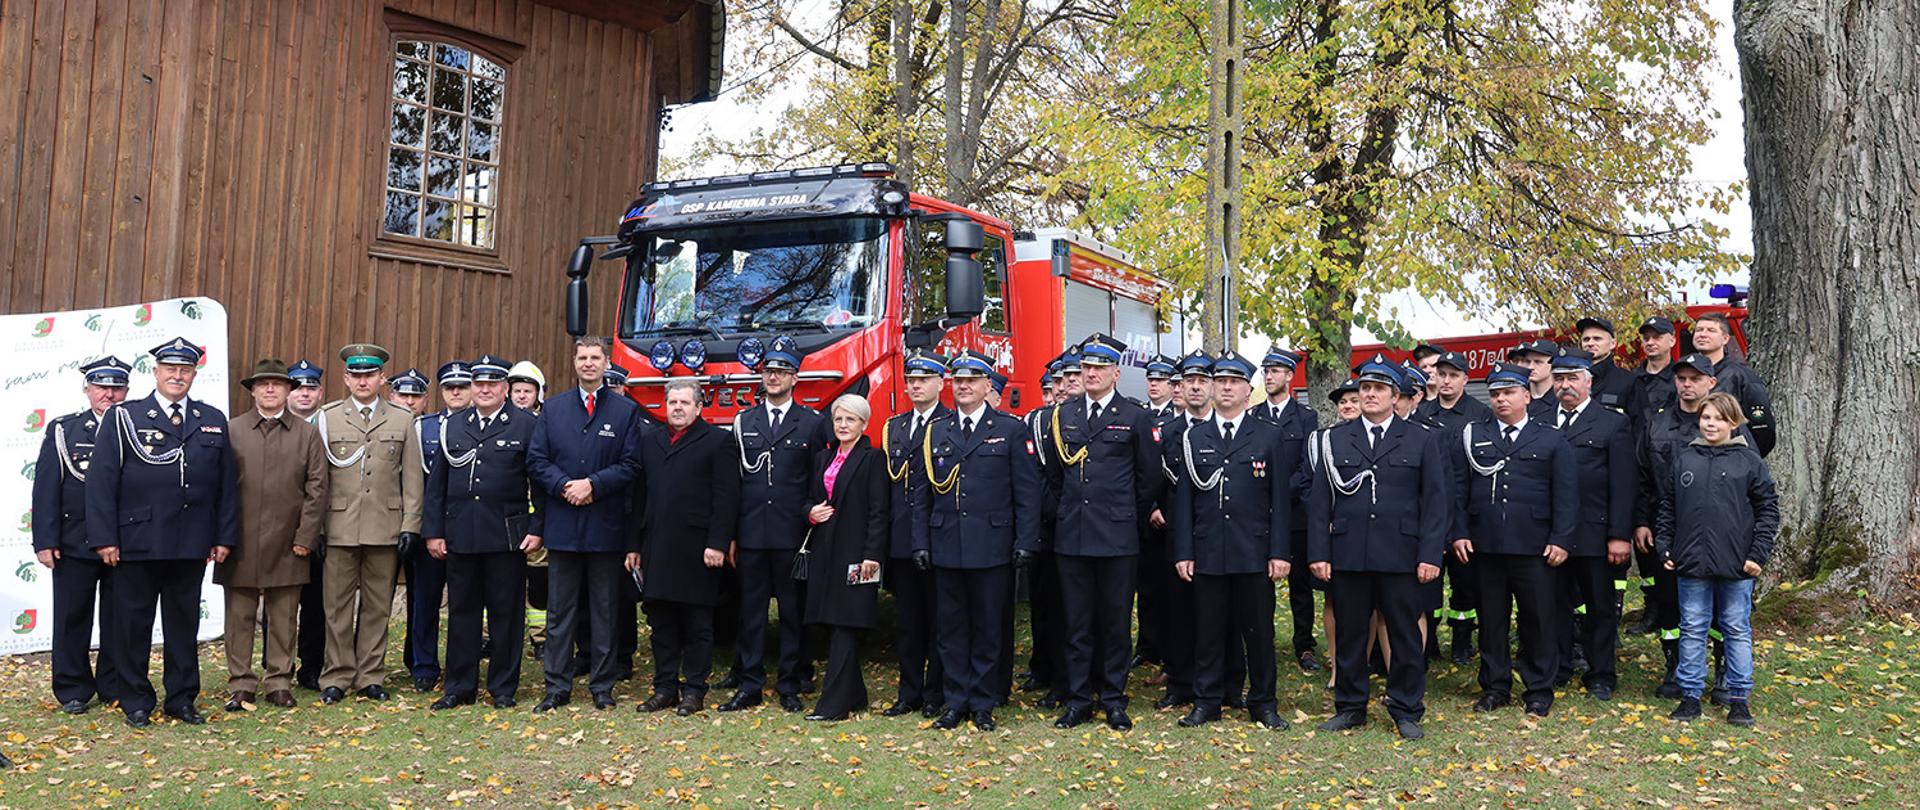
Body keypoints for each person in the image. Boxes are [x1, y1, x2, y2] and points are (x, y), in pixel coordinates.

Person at [87, 337, 240, 727]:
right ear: (155, 373)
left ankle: (181, 698)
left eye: (185, 370)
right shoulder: (125, 416)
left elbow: (226, 485)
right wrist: (105, 538)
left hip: (191, 541)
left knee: (183, 626)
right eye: (170, 369)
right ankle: (135, 700)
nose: (178, 376)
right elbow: (102, 483)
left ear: (193, 374)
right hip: (138, 540)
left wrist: (223, 536)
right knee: (133, 625)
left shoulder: (211, 418)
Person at [1306, 359, 1448, 740]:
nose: (1369, 394)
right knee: (1352, 634)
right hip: (1349, 553)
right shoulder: (1335, 439)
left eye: (1379, 389)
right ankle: (1350, 707)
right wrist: (1319, 553)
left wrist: (1430, 555)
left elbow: (1436, 503)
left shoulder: (1421, 439)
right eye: (1365, 388)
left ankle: (1406, 708)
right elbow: (1320, 503)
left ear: (1396, 396)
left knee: (1404, 635)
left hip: (1401, 554)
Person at [914, 351, 1042, 730]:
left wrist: (1025, 541)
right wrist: (920, 542)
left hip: (993, 544)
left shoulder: (1011, 429)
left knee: (988, 629)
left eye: (972, 380)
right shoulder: (936, 430)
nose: (964, 386)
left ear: (989, 386)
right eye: (958, 380)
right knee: (950, 629)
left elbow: (1027, 492)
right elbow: (921, 494)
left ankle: (983, 702)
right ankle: (955, 701)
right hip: (947, 544)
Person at [1044, 333, 1163, 732]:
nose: (1091, 374)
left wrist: (1126, 516)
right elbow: (1055, 477)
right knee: (1076, 623)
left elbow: (1148, 480)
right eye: (1086, 368)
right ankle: (1079, 699)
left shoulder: (1135, 416)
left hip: (1116, 537)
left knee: (1114, 622)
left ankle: (1114, 698)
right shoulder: (1065, 415)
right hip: (1073, 535)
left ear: (1116, 372)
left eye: (1099, 368)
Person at [1170, 351, 1292, 729]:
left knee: (1258, 632)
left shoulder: (1269, 436)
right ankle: (1207, 701)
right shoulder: (1195, 437)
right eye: (1219, 381)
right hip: (1208, 550)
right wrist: (1184, 551)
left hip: (1253, 551)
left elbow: (1280, 501)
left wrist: (1280, 552)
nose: (1225, 388)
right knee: (1207, 631)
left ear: (1248, 390)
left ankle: (1263, 703)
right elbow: (1184, 501)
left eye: (1234, 382)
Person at [1448, 363, 1578, 717]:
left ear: (1525, 395)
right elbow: (1458, 490)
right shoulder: (1473, 434)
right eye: (1494, 394)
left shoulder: (1550, 437)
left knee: (1538, 617)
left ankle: (1538, 687)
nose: (1501, 399)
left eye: (1508, 393)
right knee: (1492, 619)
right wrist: (1458, 531)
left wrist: (1561, 539)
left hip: (1535, 545)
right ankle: (1495, 685)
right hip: (1485, 544)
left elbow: (1566, 495)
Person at [530, 339, 645, 712]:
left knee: (604, 610)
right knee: (560, 612)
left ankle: (602, 686)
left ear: (605, 363)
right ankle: (556, 687)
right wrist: (565, 486)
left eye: (595, 358)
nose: (589, 364)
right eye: (583, 358)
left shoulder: (625, 411)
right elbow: (536, 459)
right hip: (563, 525)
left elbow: (631, 465)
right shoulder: (554, 409)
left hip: (605, 527)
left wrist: (593, 484)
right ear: (574, 363)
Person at [424, 356, 542, 710]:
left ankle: (503, 688)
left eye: (493, 383)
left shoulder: (526, 425)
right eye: (479, 384)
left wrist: (538, 529)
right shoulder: (453, 426)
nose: (485, 389)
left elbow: (539, 483)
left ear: (505, 388)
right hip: (461, 534)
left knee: (506, 614)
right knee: (462, 612)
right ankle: (459, 686)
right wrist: (434, 532)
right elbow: (437, 487)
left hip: (507, 536)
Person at [1655, 392, 1777, 727]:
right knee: (1692, 628)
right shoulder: (1685, 459)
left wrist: (1758, 554)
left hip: (1737, 564)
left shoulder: (1749, 462)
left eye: (1719, 419)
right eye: (1706, 417)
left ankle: (1739, 697)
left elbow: (1768, 510)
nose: (1711, 424)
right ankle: (1690, 695)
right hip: (1691, 562)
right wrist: (1665, 546)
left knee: (1735, 629)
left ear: (1733, 423)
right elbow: (1667, 507)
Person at [723, 337, 830, 713]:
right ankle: (750, 683)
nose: (773, 377)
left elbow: (818, 479)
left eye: (781, 371)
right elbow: (734, 482)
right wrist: (731, 534)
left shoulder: (814, 423)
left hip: (792, 534)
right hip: (751, 532)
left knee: (791, 612)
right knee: (750, 612)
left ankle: (789, 683)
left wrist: (812, 524)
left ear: (794, 378)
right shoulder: (743, 421)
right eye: (769, 371)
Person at [1636, 353, 1751, 699]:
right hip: (1667, 527)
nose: (1687, 385)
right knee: (1669, 603)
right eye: (1681, 378)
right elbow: (1641, 477)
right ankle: (1676, 668)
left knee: (1720, 611)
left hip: (1719, 531)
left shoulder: (1730, 426)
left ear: (1710, 382)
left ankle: (1723, 671)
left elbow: (1750, 484)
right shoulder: (1655, 423)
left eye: (1695, 379)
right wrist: (1641, 521)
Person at [314, 343, 424, 705]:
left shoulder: (402, 418)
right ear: (346, 379)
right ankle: (337, 674)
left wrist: (410, 525)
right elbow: (318, 478)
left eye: (370, 375)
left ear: (381, 378)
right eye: (356, 375)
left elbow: (412, 479)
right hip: (339, 525)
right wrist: (316, 528)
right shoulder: (327, 417)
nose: (363, 381)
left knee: (378, 605)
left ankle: (369, 675)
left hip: (385, 525)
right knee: (336, 606)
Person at [218, 359, 328, 712]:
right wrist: (222, 537)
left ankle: (279, 681)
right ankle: (241, 683)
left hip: (288, 540)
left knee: (284, 617)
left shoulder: (307, 433)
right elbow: (218, 487)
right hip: (241, 541)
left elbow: (317, 488)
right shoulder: (232, 430)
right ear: (252, 390)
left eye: (277, 384)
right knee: (240, 618)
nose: (270, 389)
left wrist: (305, 537)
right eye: (263, 384)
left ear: (289, 391)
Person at [633, 380, 740, 716]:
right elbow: (639, 497)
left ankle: (694, 690)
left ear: (699, 407)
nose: (677, 407)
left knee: (697, 625)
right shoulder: (650, 440)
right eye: (672, 402)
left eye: (684, 402)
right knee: (662, 623)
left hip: (698, 549)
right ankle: (665, 687)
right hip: (657, 546)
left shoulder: (718, 441)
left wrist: (718, 543)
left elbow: (727, 497)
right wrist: (633, 545)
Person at [32, 356, 130, 715]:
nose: (110, 394)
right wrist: (45, 540)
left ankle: (114, 684)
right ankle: (72, 688)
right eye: (102, 387)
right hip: (74, 540)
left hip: (124, 542)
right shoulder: (65, 429)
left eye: (117, 387)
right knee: (73, 616)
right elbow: (46, 489)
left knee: (119, 618)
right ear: (87, 389)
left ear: (127, 390)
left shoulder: (137, 428)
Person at [1547, 349, 1637, 700]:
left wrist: (1618, 535)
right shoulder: (1540, 419)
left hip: (1594, 533)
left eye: (1572, 379)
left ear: (1589, 382)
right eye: (1559, 379)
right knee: (1553, 604)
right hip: (1550, 533)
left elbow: (1623, 484)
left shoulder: (1612, 423)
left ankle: (1601, 673)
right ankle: (1558, 666)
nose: (1565, 386)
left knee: (1600, 607)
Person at [794, 395, 889, 720]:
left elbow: (879, 512)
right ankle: (857, 696)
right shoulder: (822, 457)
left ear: (864, 424)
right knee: (833, 621)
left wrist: (872, 556)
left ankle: (833, 706)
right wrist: (810, 512)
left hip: (859, 553)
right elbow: (807, 498)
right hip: (826, 552)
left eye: (850, 420)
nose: (844, 426)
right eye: (839, 420)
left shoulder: (873, 458)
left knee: (846, 624)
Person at [880, 349, 951, 718]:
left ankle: (935, 692)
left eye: (924, 379)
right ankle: (908, 692)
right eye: (911, 380)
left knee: (939, 621)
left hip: (940, 538)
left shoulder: (950, 423)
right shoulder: (894, 427)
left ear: (941, 383)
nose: (916, 385)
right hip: (903, 537)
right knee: (908, 623)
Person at [1414, 350, 1490, 664]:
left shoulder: (1479, 413)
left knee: (1465, 584)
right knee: (1427, 582)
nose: (1445, 381)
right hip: (1430, 509)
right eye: (1441, 374)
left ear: (1465, 379)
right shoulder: (1423, 413)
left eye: (1453, 375)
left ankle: (1462, 641)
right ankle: (1428, 642)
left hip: (1465, 508)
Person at [403, 361, 473, 693]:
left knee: (466, 603)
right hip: (431, 528)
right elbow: (418, 484)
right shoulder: (423, 427)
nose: (456, 392)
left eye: (462, 386)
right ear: (442, 391)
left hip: (470, 528)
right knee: (425, 601)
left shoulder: (482, 424)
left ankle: (462, 665)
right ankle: (424, 666)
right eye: (449, 387)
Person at [1251, 347, 1322, 673]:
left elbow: (1308, 468)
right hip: (1259, 514)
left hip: (1294, 514)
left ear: (1289, 376)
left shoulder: (1306, 418)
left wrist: (1279, 493)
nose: (1269, 376)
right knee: (1257, 582)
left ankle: (1304, 645)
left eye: (1276, 371)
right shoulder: (1253, 417)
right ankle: (1257, 638)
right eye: (1266, 371)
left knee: (1300, 585)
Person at [1625, 316, 1678, 634]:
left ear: (1672, 340)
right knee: (1643, 545)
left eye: (1657, 336)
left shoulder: (1682, 378)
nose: (1650, 342)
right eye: (1646, 337)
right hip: (1638, 469)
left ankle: (1673, 608)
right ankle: (1652, 607)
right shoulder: (1634, 382)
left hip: (1671, 472)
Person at [284, 358, 328, 691]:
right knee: (278, 605)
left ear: (320, 392)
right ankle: (277, 666)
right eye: (297, 387)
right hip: (279, 530)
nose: (303, 394)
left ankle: (311, 666)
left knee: (315, 605)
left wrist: (321, 530)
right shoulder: (272, 424)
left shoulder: (330, 425)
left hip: (320, 531)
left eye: (310, 387)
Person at [1689, 312, 1774, 456]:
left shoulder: (1742, 377)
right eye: (1699, 330)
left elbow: (1763, 430)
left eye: (1711, 330)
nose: (1703, 334)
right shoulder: (1684, 377)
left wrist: (1743, 460)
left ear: (1725, 338)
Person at [1574, 317, 1638, 417]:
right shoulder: (1570, 380)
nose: (1590, 343)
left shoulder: (1629, 381)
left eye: (1597, 339)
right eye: (1586, 339)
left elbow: (1640, 426)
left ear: (1613, 343)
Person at [1506, 339, 1559, 419]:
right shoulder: (1515, 397)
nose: (1530, 367)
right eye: (1527, 361)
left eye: (1538, 362)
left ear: (1554, 364)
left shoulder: (1562, 399)